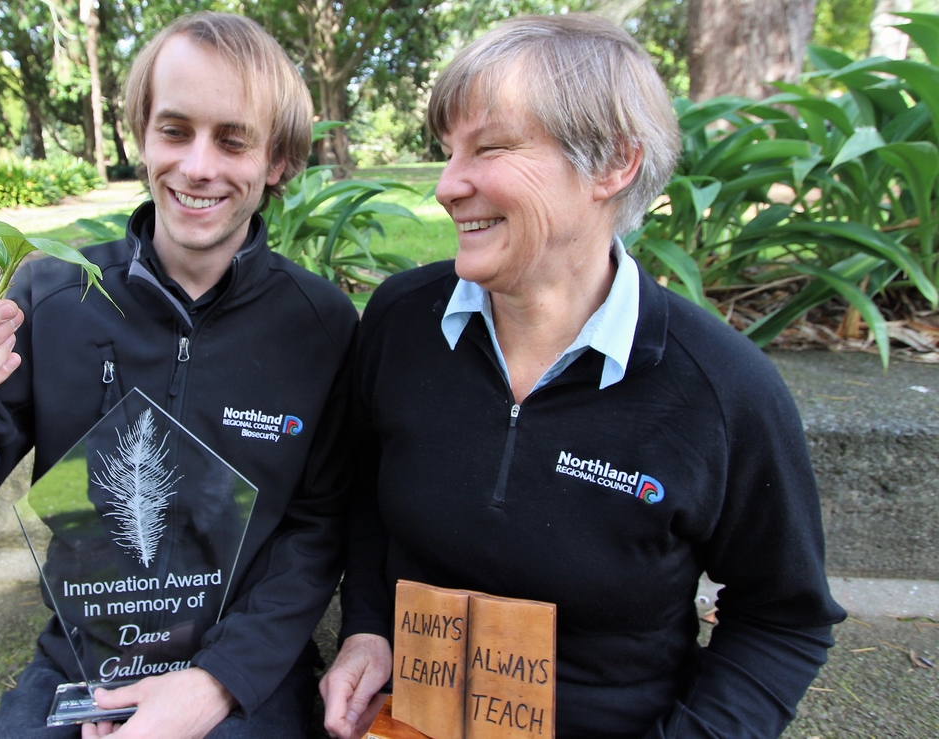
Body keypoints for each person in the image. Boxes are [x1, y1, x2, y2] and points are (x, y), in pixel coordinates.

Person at [319, 14, 845, 739]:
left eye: (490, 147)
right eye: (447, 152)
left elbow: (783, 619)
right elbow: (367, 496)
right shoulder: (400, 321)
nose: (446, 185)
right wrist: (369, 628)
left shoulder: (722, 392)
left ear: (612, 166)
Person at [0, 12, 357, 739]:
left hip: (247, 665)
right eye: (175, 131)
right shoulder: (54, 299)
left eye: (234, 139)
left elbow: (317, 529)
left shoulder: (322, 325)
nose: (198, 165)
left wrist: (221, 681)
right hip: (83, 654)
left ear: (277, 161)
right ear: (141, 137)